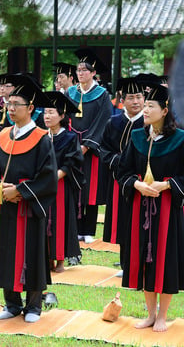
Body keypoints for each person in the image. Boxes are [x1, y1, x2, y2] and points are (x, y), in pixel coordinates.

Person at [0, 75, 57, 323]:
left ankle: (33, 306)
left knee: (31, 254)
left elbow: (47, 178)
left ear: (31, 108)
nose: (11, 109)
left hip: (29, 209)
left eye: (17, 104)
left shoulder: (42, 139)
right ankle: (12, 303)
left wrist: (21, 191)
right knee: (6, 253)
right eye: (8, 104)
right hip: (5, 206)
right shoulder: (2, 136)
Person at [117, 84, 184, 332]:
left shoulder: (181, 140)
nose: (144, 109)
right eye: (144, 105)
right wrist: (136, 184)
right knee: (145, 259)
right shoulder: (137, 138)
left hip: (167, 210)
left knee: (165, 260)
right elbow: (121, 170)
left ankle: (163, 315)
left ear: (165, 110)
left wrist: (166, 186)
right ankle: (150, 314)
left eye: (150, 106)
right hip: (140, 206)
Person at [100, 78, 145, 277]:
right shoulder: (114, 122)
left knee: (142, 220)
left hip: (144, 180)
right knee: (122, 220)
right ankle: (125, 263)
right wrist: (120, 162)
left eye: (139, 97)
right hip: (119, 179)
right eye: (131, 98)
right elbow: (104, 150)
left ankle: (143, 263)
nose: (136, 102)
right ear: (122, 99)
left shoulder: (149, 121)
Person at [67, 48, 112, 244]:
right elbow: (65, 117)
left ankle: (89, 229)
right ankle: (75, 228)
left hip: (91, 148)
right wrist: (69, 142)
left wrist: (87, 144)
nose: (81, 73)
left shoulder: (102, 94)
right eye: (78, 70)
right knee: (73, 187)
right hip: (71, 144)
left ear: (93, 73)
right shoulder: (70, 92)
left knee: (90, 189)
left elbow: (104, 121)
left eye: (85, 70)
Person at [43, 91, 84, 273]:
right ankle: (45, 259)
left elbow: (73, 162)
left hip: (60, 186)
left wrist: (56, 175)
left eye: (52, 112)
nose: (47, 116)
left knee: (60, 221)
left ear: (61, 116)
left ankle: (60, 259)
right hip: (42, 187)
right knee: (42, 221)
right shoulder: (40, 136)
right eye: (45, 112)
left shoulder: (69, 137)